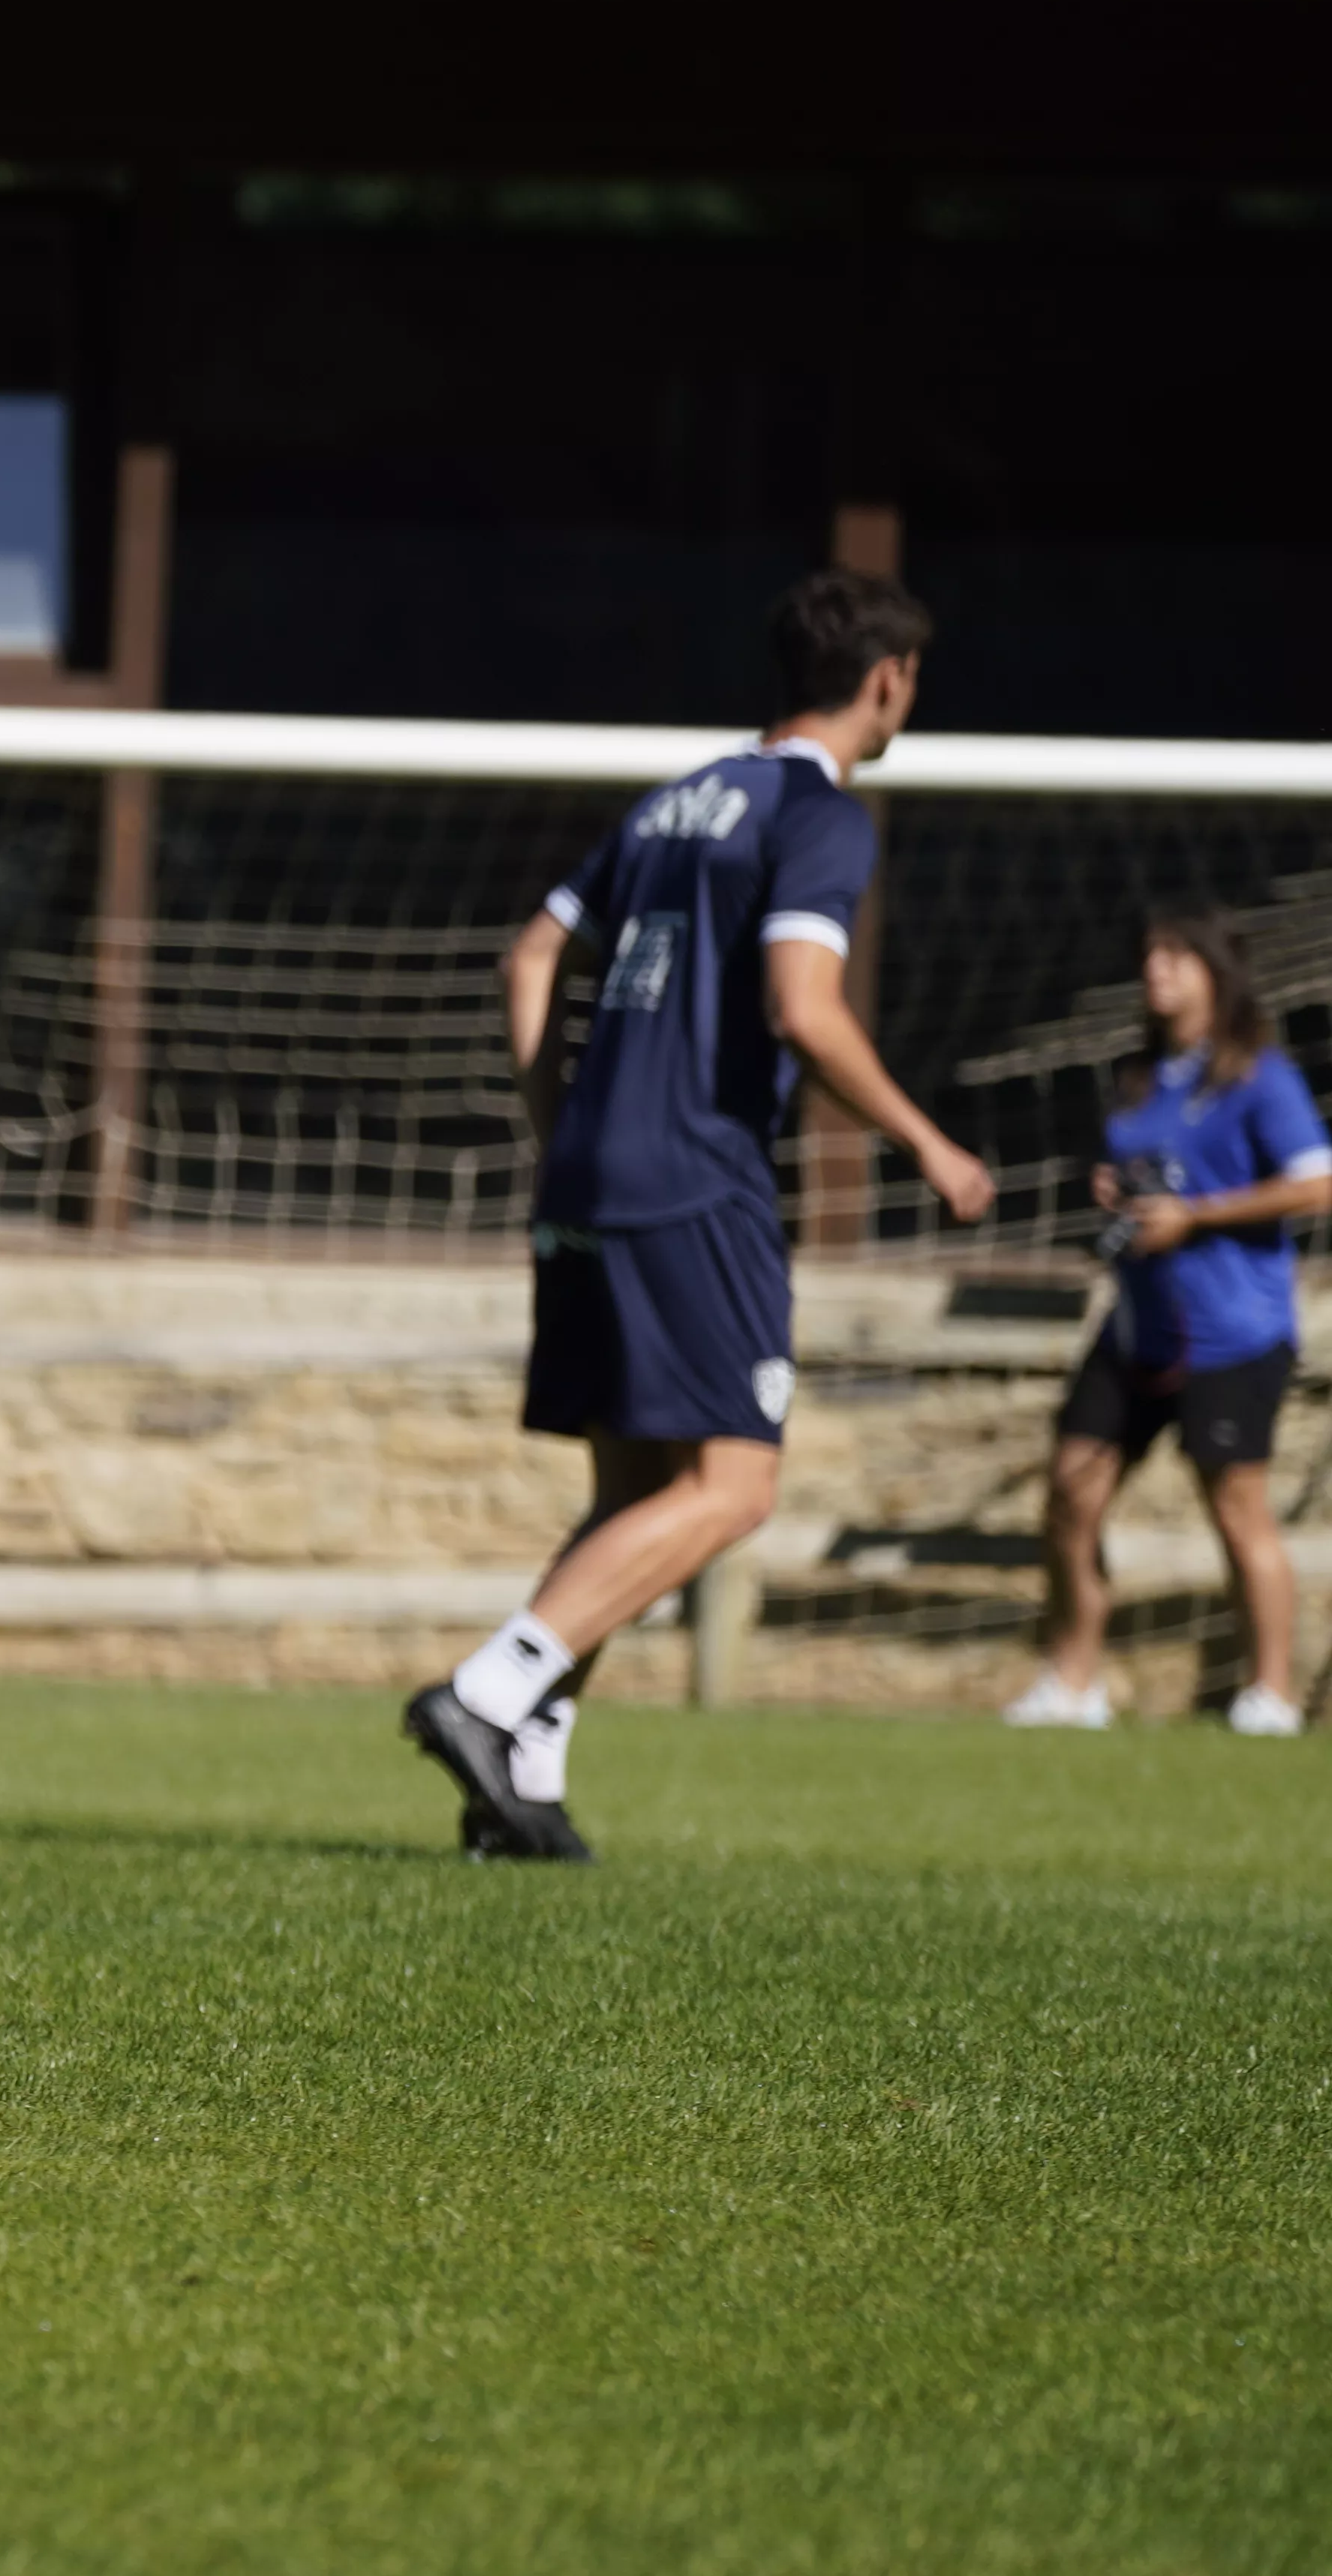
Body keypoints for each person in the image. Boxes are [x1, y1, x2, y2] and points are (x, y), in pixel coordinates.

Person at [407, 570, 994, 1858]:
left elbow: (528, 954)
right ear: (885, 682)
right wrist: (931, 1142)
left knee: (636, 1488)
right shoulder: (818, 815)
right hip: (692, 1178)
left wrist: (553, 1124)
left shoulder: (675, 797)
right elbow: (803, 1005)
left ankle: (525, 1780)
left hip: (587, 1174)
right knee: (734, 1487)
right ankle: (489, 1690)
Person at [1007, 909, 1319, 1735]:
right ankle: (1073, 1681)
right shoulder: (1140, 1077)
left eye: (1175, 957)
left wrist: (1196, 1215)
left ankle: (1269, 1694)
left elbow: (1317, 1182)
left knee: (1235, 1508)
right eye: (1148, 956)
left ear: (1217, 975)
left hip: (1230, 1332)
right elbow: (1145, 1174)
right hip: (1134, 1328)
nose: (1156, 971)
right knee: (1069, 1492)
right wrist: (1115, 1192)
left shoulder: (1258, 1077)